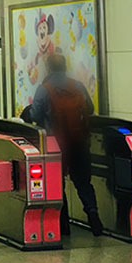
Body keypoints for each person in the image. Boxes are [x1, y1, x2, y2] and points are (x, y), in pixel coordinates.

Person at [21, 53, 103, 237]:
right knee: (83, 182)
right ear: (65, 67)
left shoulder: (44, 89)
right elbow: (89, 109)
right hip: (79, 142)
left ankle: (63, 224)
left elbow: (35, 115)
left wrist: (28, 113)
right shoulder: (77, 86)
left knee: (57, 183)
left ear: (48, 68)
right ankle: (93, 216)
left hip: (56, 144)